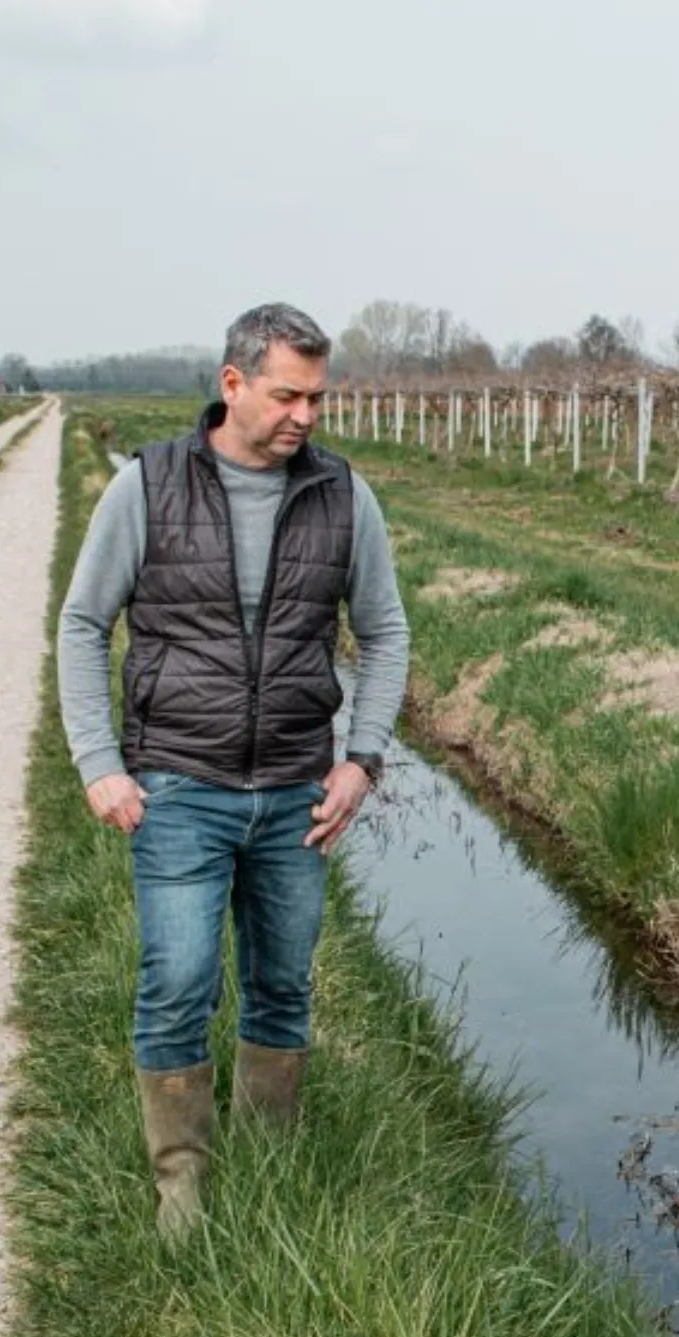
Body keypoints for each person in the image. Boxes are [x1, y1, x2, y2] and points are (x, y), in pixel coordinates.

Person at [56, 302, 410, 1239]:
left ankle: (272, 1168)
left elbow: (386, 632)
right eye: (287, 395)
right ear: (232, 384)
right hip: (178, 783)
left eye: (317, 399)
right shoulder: (148, 486)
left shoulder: (343, 496)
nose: (305, 416)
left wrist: (361, 762)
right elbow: (84, 622)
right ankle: (183, 1192)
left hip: (297, 789)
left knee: (284, 986)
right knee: (177, 984)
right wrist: (99, 763)